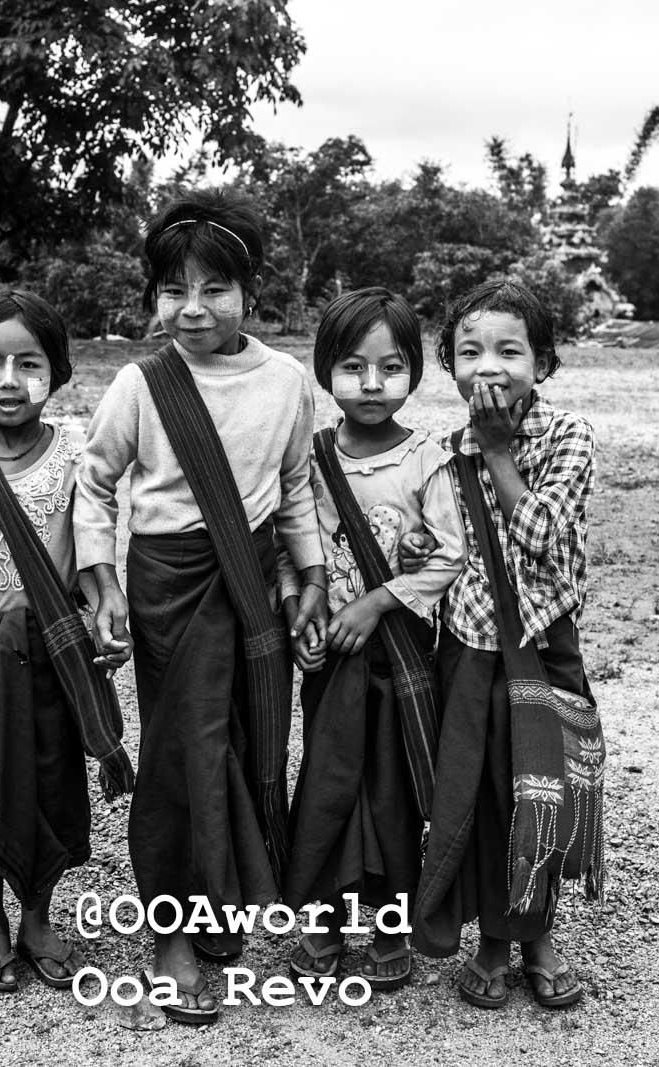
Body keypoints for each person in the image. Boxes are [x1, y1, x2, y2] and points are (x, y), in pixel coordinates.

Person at [73, 189, 328, 1025]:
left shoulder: (287, 381)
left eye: (213, 288)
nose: (192, 308)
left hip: (251, 583)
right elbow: (97, 482)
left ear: (250, 291)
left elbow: (294, 487)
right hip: (167, 583)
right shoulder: (142, 386)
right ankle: (169, 932)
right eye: (172, 289)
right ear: (152, 296)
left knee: (248, 742)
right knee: (186, 751)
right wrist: (100, 578)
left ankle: (219, 901)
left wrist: (313, 575)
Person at [0, 289, 134, 993]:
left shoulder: (78, 450)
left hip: (50, 650)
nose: (9, 380)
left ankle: (38, 917)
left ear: (59, 372)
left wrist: (107, 602)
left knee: (45, 779)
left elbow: (97, 540)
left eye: (29, 363)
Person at [408, 279, 607, 1011]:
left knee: (542, 791)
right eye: (469, 351)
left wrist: (496, 451)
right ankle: (495, 939)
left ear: (543, 364)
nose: (487, 367)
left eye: (508, 351)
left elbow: (541, 535)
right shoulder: (437, 449)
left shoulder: (568, 436)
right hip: (468, 646)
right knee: (486, 795)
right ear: (448, 365)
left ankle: (539, 933)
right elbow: (436, 552)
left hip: (542, 642)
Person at [280, 287, 465, 992]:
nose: (371, 384)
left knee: (390, 792)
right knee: (329, 784)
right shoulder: (313, 458)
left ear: (414, 372)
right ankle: (323, 921)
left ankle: (390, 920)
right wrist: (304, 608)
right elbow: (294, 545)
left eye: (390, 368)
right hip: (333, 658)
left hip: (403, 659)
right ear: (326, 369)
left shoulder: (427, 458)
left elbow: (450, 554)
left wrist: (379, 602)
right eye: (353, 367)